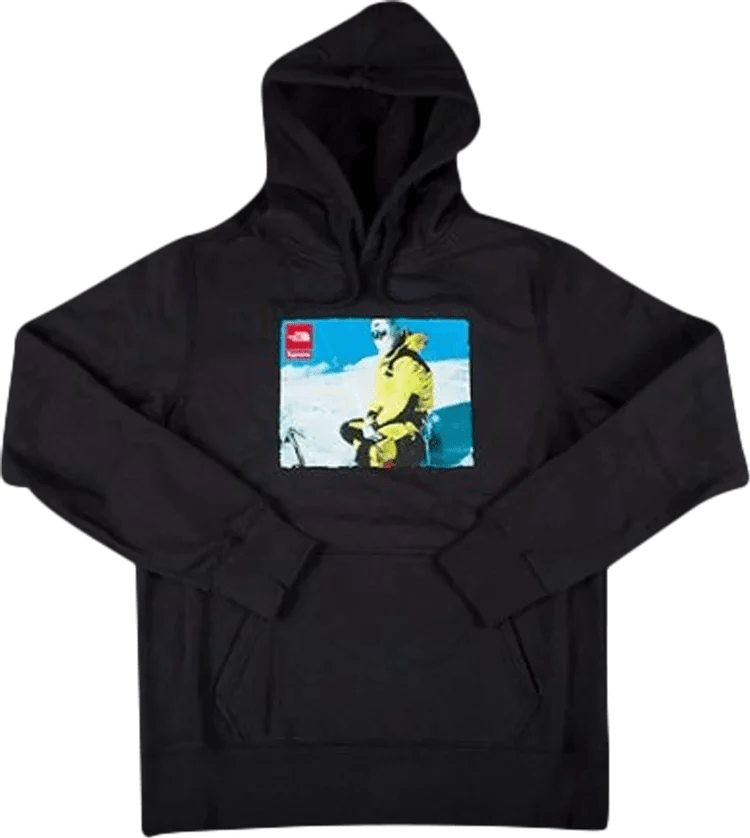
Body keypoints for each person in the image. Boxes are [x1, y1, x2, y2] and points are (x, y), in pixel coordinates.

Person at [340, 318, 434, 468]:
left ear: (393, 331)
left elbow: (404, 404)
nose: (379, 338)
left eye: (382, 333)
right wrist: (371, 416)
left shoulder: (409, 363)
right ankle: (376, 454)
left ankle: (376, 461)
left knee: (372, 450)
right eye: (374, 335)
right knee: (348, 429)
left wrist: (376, 425)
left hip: (406, 426)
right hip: (387, 421)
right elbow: (382, 398)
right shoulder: (386, 362)